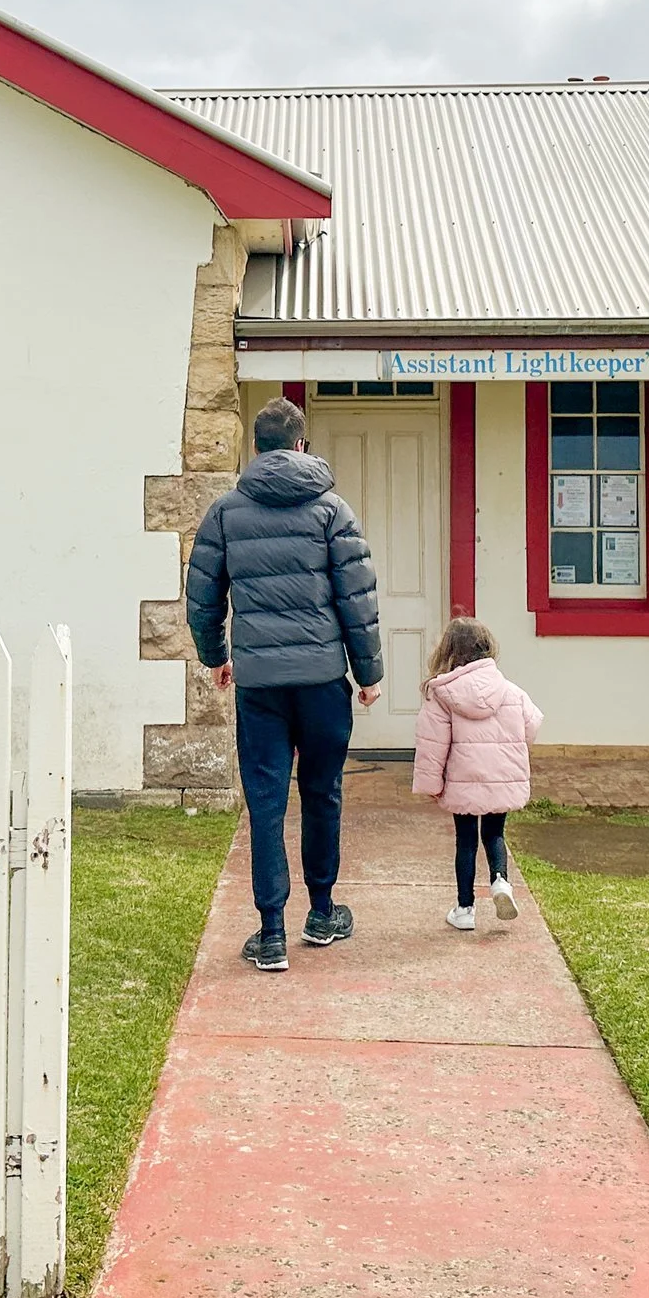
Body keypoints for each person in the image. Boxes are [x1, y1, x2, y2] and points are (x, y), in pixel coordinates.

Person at [186, 396, 383, 972]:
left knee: (266, 804)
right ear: (301, 445)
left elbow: (203, 598)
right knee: (322, 793)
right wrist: (367, 673)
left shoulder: (226, 513)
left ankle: (271, 932)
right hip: (322, 682)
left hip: (261, 687)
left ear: (255, 447)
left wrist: (216, 656)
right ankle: (322, 914)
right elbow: (357, 598)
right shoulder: (332, 511)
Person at [411, 618, 542, 931]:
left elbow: (432, 746)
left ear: (448, 651)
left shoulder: (441, 694)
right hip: (501, 777)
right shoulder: (510, 691)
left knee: (466, 840)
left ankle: (465, 909)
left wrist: (432, 785)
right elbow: (532, 726)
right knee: (495, 834)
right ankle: (500, 881)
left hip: (463, 781)